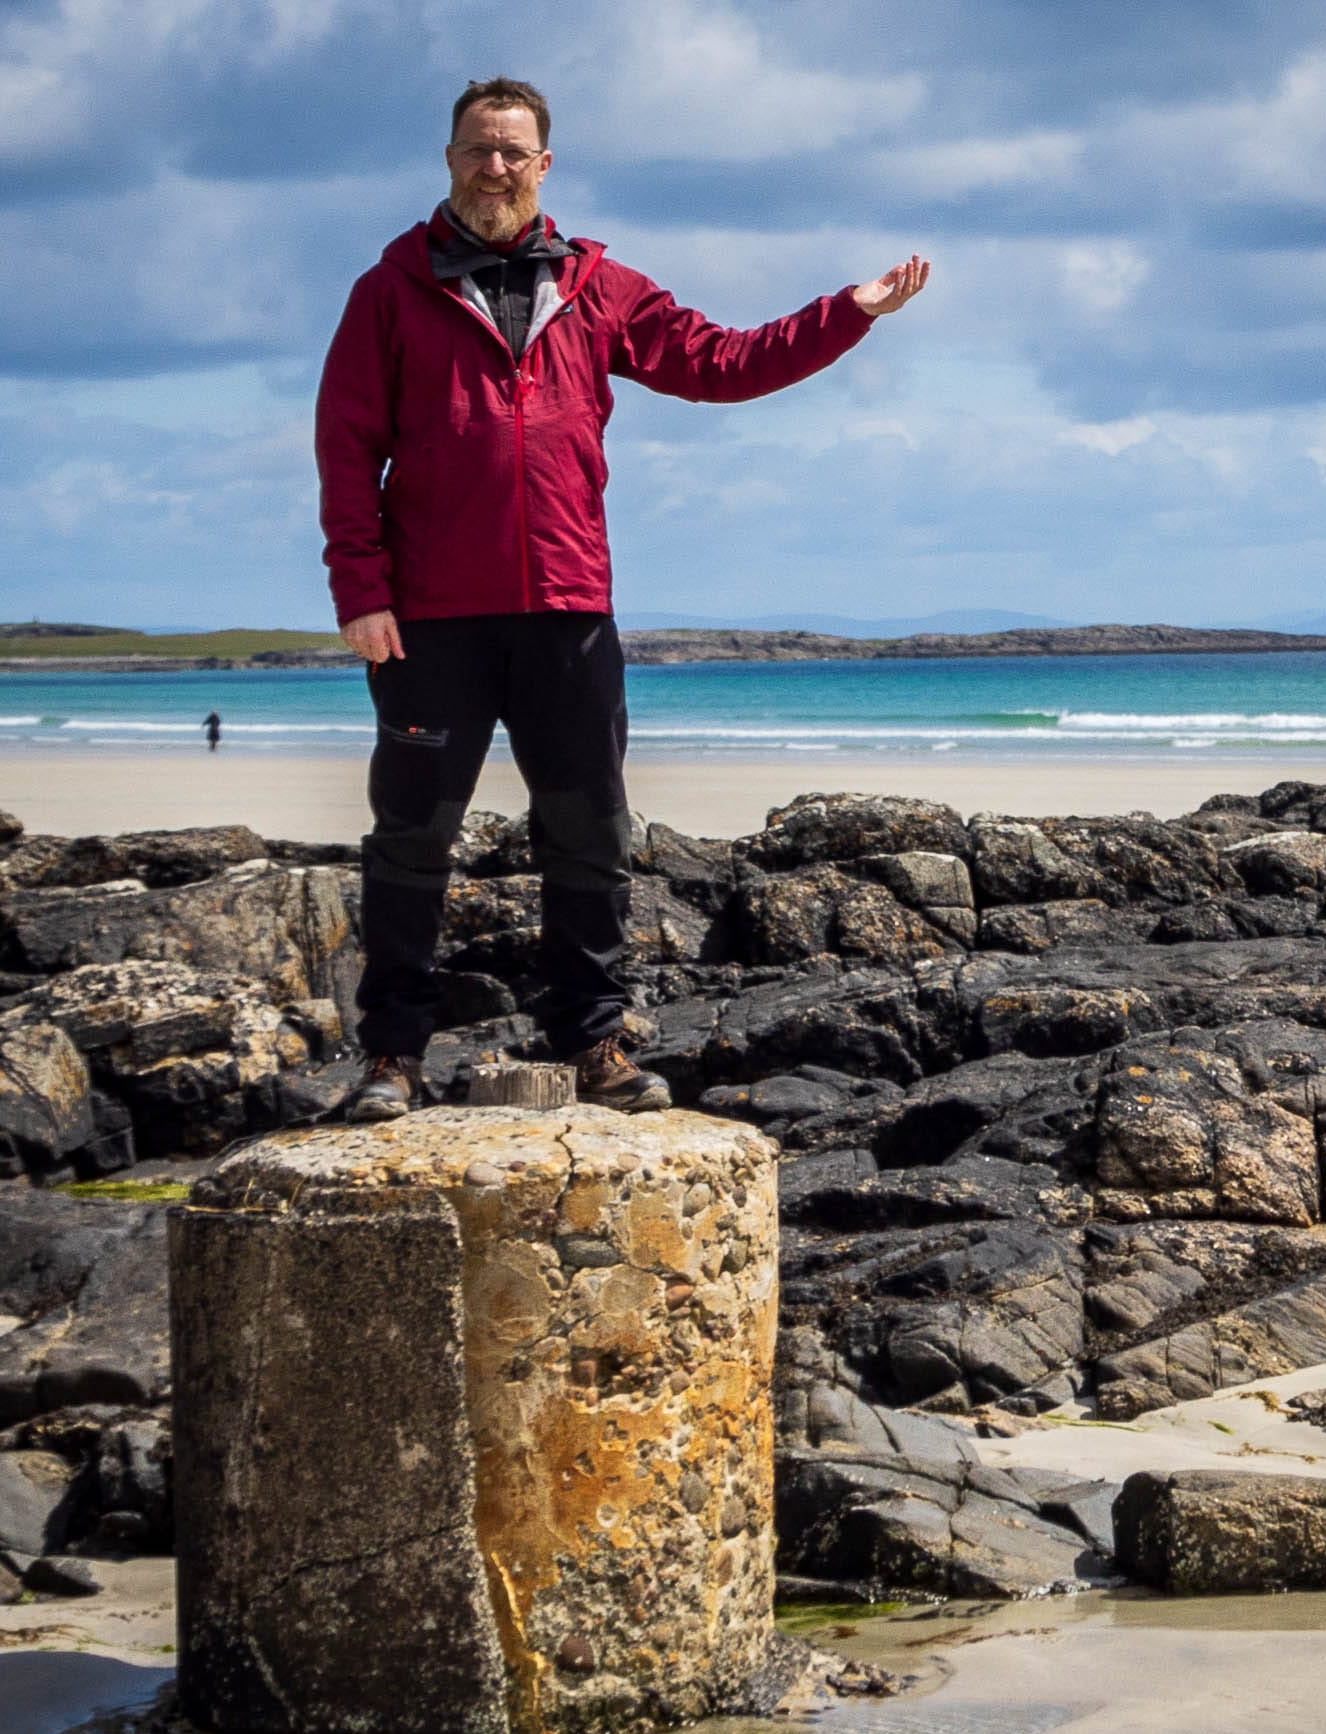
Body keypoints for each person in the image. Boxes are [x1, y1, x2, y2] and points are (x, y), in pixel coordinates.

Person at [316, 75, 929, 1120]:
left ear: (545, 166)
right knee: (411, 840)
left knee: (590, 836)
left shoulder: (599, 287)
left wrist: (847, 314)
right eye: (477, 150)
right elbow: (346, 446)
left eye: (513, 152)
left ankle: (594, 1043)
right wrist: (360, 590)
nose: (494, 168)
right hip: (430, 621)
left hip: (568, 610)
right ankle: (392, 1059)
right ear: (450, 159)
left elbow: (722, 363)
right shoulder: (393, 290)